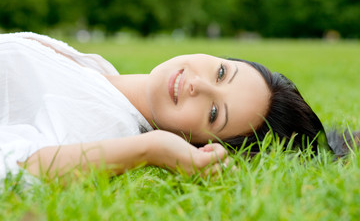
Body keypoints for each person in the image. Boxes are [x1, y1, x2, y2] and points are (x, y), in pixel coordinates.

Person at [0, 32, 329, 180]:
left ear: (199, 144)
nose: (198, 85)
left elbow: (14, 166)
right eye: (221, 72)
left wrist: (150, 148)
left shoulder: (107, 123)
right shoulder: (102, 80)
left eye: (214, 113)